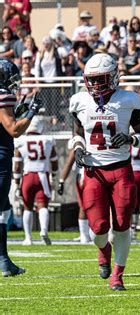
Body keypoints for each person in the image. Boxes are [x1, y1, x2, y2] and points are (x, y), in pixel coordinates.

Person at [69, 53, 140, 290]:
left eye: (100, 79)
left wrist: (131, 138)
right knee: (98, 228)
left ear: (114, 77)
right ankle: (103, 249)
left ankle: (118, 274)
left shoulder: (128, 100)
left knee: (123, 223)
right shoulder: (80, 101)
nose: (95, 84)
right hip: (94, 171)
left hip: (121, 169)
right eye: (91, 80)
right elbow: (76, 132)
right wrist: (78, 149)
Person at [0, 57, 42, 276]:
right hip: (0, 161)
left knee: (4, 209)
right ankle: (4, 261)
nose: (14, 83)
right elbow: (14, 129)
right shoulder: (3, 94)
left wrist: (20, 112)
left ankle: (4, 260)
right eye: (11, 77)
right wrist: (32, 111)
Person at [13, 116, 57, 245]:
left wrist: (16, 183)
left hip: (27, 177)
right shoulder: (47, 140)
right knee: (43, 205)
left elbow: (17, 165)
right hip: (42, 176)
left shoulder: (21, 140)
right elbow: (54, 162)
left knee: (27, 207)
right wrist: (53, 177)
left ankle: (28, 238)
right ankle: (43, 230)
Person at [57, 137, 90, 244]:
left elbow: (68, 163)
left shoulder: (78, 140)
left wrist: (61, 180)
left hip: (84, 177)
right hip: (98, 175)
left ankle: (85, 235)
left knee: (84, 207)